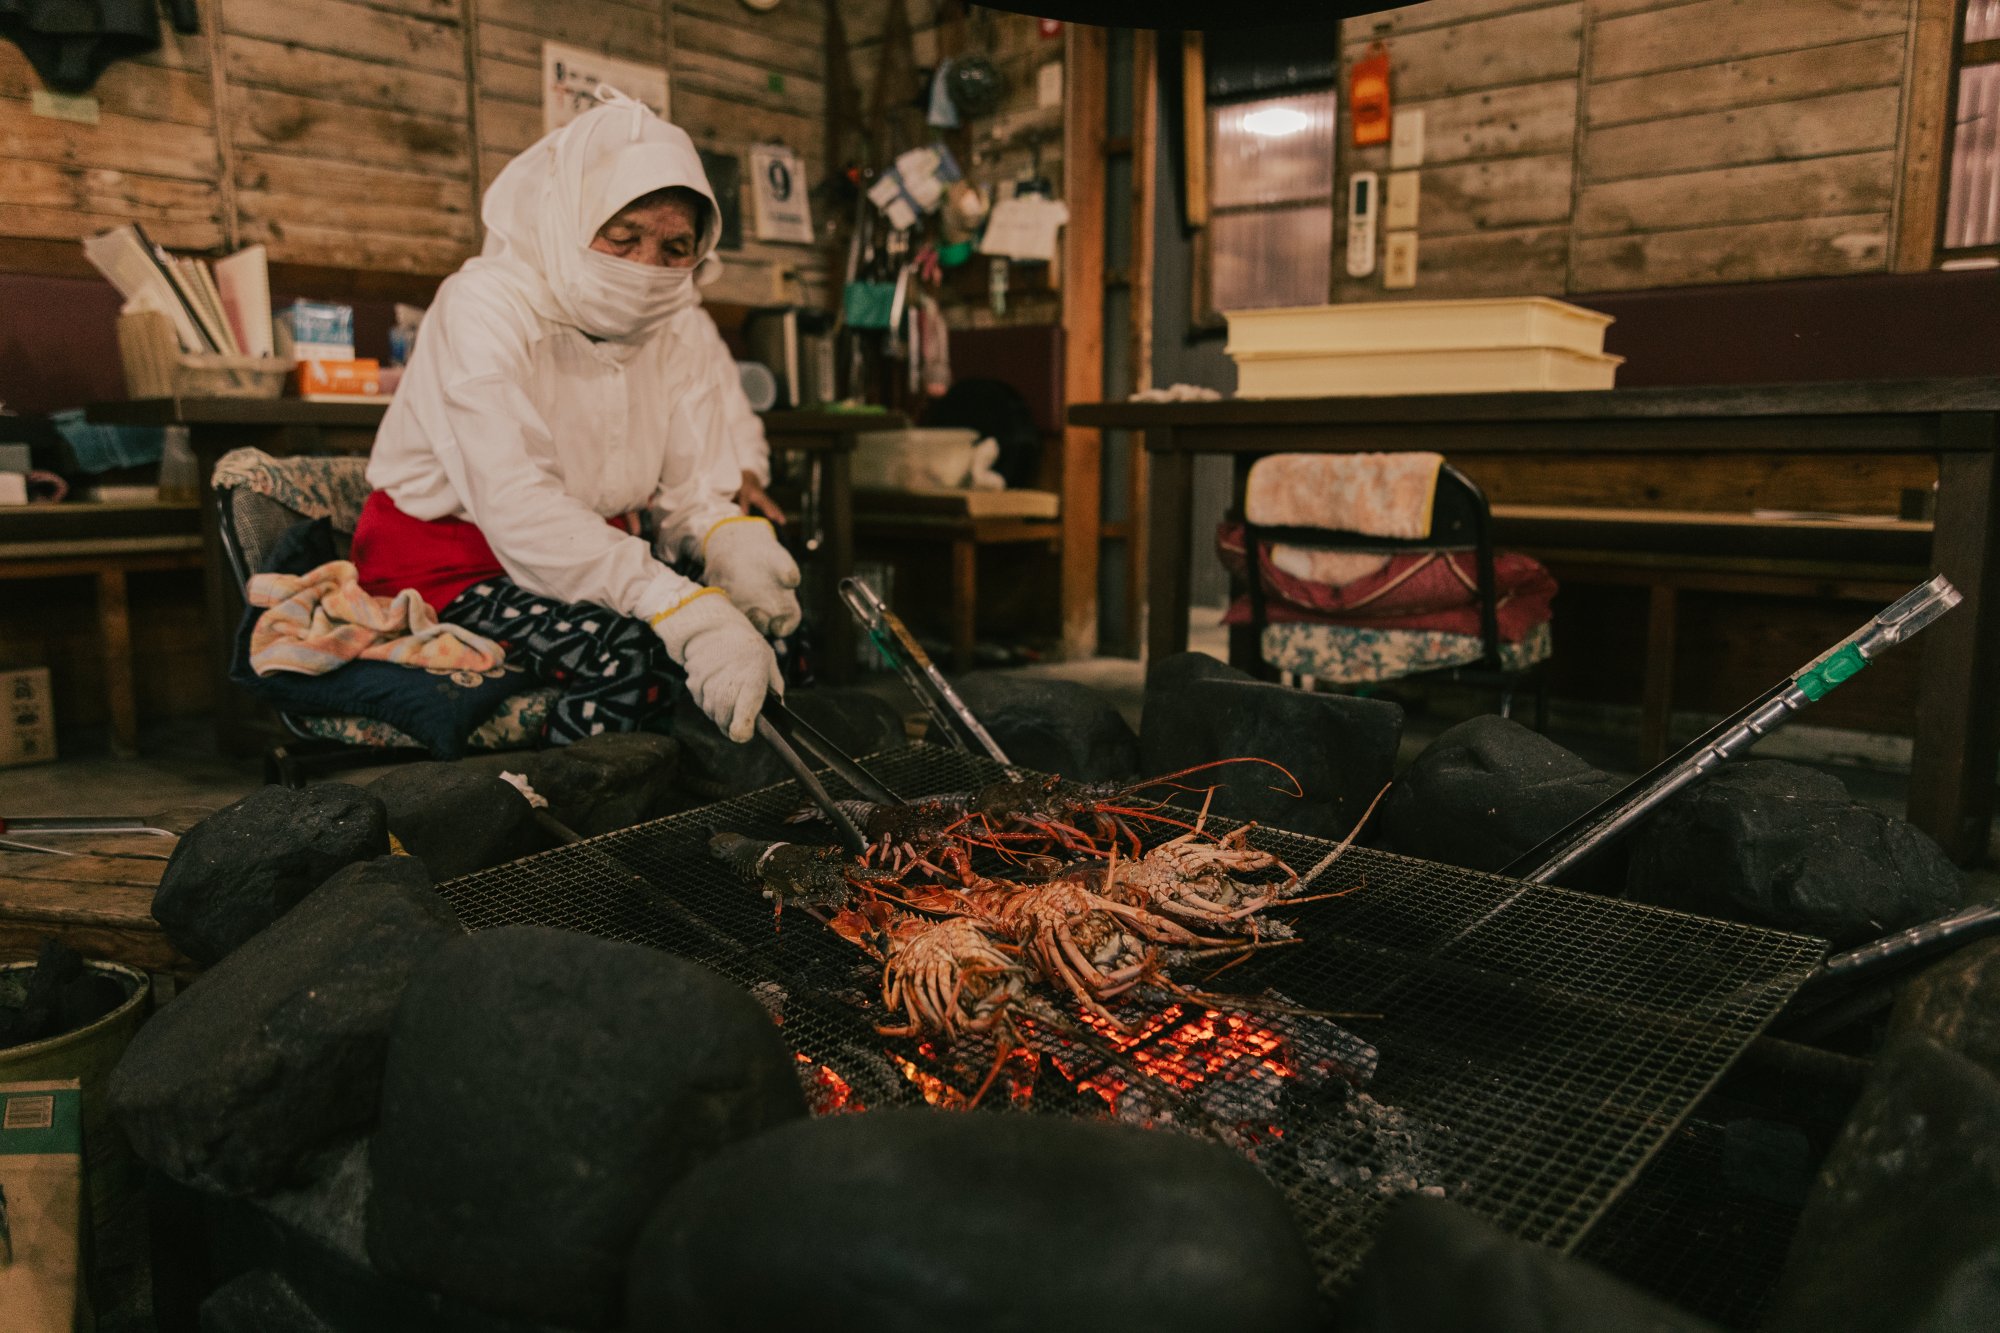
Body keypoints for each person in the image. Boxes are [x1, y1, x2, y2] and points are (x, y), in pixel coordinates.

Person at [353, 94, 799, 747]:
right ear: (569, 217)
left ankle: (715, 820)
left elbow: (691, 487)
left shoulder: (675, 328)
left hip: (599, 553)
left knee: (777, 639)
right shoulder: (483, 307)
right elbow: (519, 509)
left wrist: (729, 539)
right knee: (630, 656)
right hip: (453, 566)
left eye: (676, 247)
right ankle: (559, 821)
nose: (647, 267)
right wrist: (676, 606)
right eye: (622, 238)